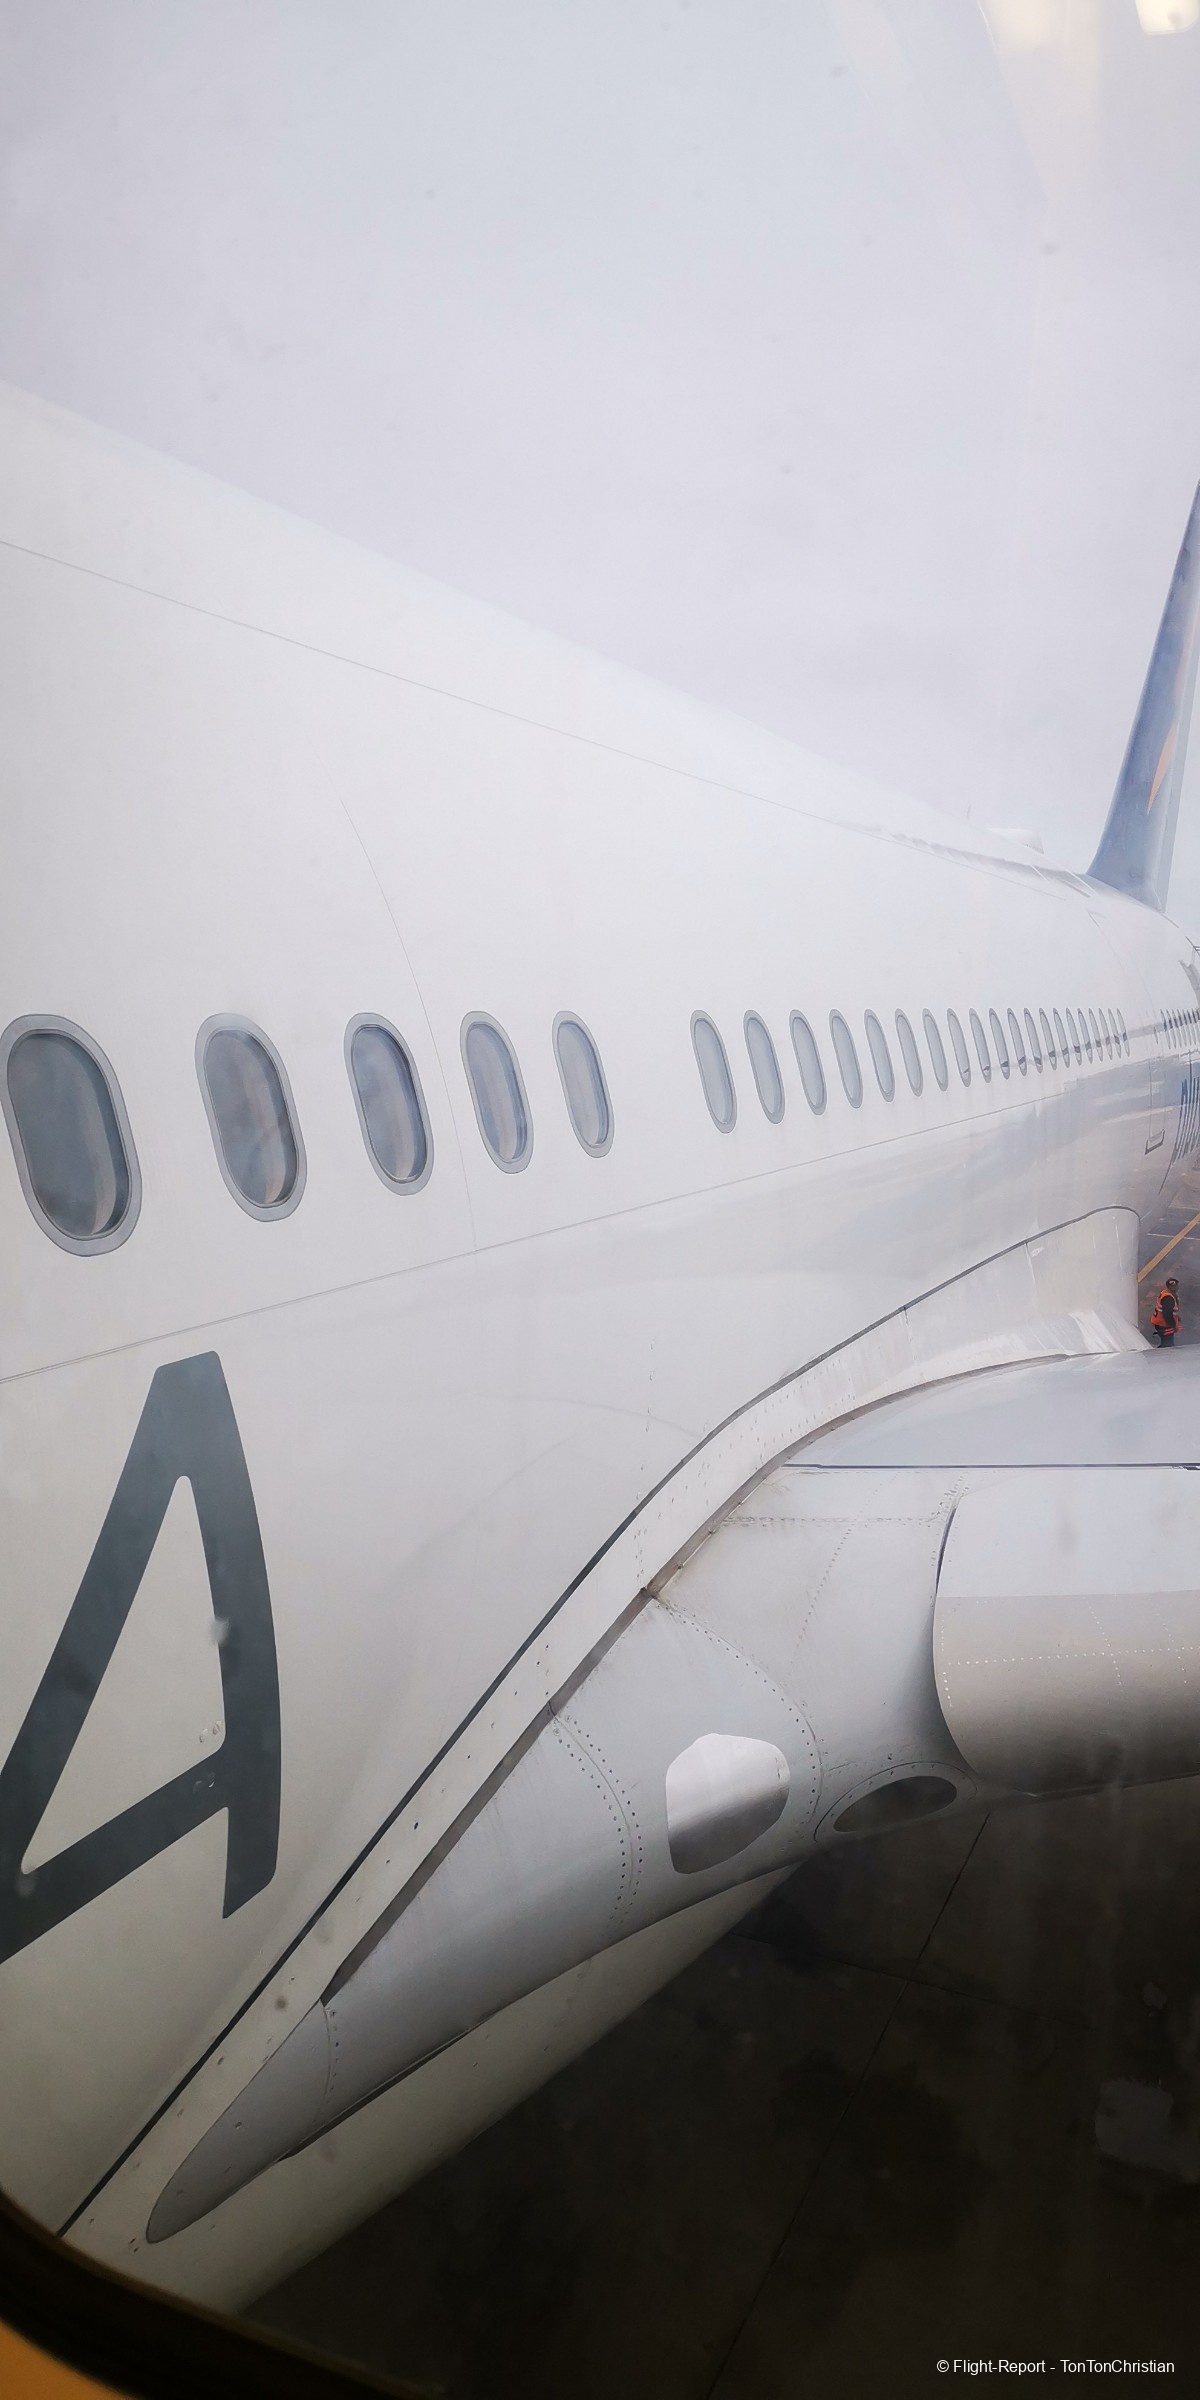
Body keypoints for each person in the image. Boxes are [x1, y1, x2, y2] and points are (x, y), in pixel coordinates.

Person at [1151, 1276, 1182, 1346]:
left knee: (1166, 1344)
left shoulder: (1165, 1293)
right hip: (1164, 1325)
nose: (1177, 1287)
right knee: (1168, 1346)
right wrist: (1173, 1325)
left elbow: (1168, 1310)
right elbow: (1167, 1314)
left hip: (1160, 1324)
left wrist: (1177, 1317)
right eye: (1175, 1286)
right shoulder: (1168, 1298)